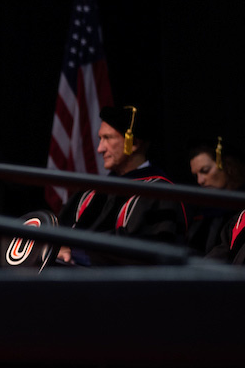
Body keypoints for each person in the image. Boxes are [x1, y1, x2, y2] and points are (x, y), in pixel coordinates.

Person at [55, 104, 186, 265]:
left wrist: (75, 251)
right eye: (100, 139)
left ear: (134, 143)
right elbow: (60, 229)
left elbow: (145, 251)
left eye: (107, 138)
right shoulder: (91, 191)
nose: (99, 149)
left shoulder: (161, 193)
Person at [187, 137, 245, 257]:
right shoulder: (202, 212)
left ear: (226, 166)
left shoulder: (240, 208)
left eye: (205, 170)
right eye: (196, 175)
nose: (200, 180)